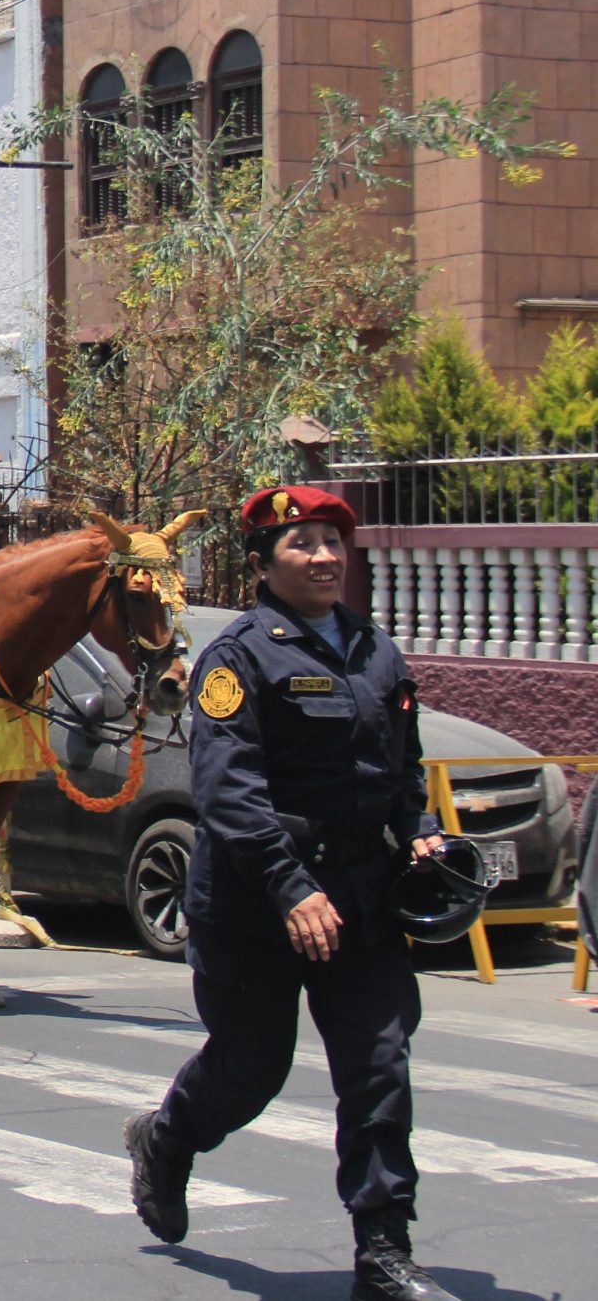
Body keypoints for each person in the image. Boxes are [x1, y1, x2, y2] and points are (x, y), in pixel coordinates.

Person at [124, 486, 454, 1301]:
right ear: (264, 562)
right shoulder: (238, 657)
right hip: (254, 904)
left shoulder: (375, 650)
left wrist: (419, 830)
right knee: (251, 1069)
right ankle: (167, 1140)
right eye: (302, 543)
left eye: (333, 542)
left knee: (380, 1070)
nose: (325, 557)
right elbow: (228, 790)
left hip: (362, 900)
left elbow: (402, 766)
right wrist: (291, 888)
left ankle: (382, 1252)